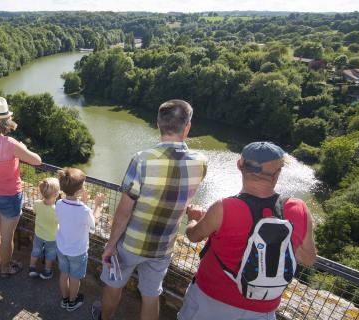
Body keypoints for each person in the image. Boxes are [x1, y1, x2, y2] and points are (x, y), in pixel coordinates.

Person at [92, 100, 207, 320]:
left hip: (131, 243)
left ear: (158, 124)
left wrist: (111, 244)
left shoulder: (142, 160)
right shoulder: (201, 162)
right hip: (163, 246)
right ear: (187, 127)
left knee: (114, 285)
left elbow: (124, 210)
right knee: (151, 295)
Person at [178, 141, 317, 320]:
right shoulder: (298, 208)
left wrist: (194, 218)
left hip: (210, 300)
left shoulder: (223, 207)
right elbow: (308, 258)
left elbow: (193, 235)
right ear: (277, 174)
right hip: (261, 309)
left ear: (239, 166)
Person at [0, 96, 42, 277]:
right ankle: (5, 269)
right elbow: (37, 161)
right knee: (7, 237)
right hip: (9, 196)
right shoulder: (10, 144)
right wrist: (20, 147)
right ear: (5, 120)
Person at [56, 168, 105, 312]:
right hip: (77, 251)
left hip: (62, 247)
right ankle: (72, 302)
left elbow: (71, 215)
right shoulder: (84, 210)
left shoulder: (59, 204)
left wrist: (83, 201)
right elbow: (93, 223)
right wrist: (98, 205)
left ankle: (65, 299)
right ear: (79, 191)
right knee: (75, 277)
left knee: (64, 274)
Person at [28, 177, 61, 280]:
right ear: (56, 195)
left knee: (36, 250)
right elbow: (59, 223)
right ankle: (47, 271)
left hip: (38, 233)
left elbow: (35, 212)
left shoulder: (37, 203)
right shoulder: (57, 210)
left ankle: (32, 268)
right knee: (50, 255)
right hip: (52, 237)